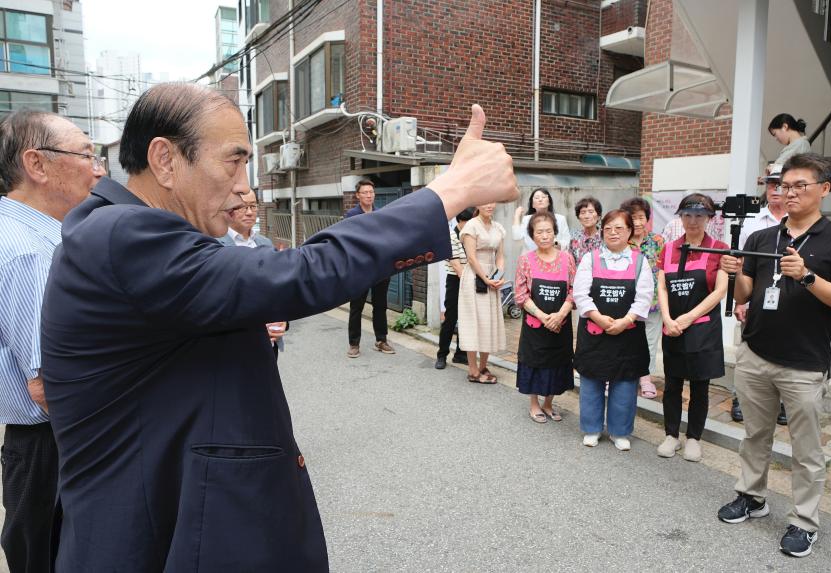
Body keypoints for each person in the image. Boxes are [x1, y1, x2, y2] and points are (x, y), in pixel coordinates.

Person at [39, 84, 518, 572]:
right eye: (233, 161)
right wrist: (450, 191)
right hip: (154, 544)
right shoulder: (120, 233)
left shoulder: (129, 233)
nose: (245, 185)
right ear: (165, 159)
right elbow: (297, 274)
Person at [717, 153, 831, 558]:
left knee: (806, 448)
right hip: (757, 353)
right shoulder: (762, 237)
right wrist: (734, 272)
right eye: (784, 185)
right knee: (755, 435)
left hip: (804, 362)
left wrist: (808, 276)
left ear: (824, 190)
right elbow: (745, 293)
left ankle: (804, 521)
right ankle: (751, 497)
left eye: (801, 185)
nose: (789, 193)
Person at [0, 110, 103, 573]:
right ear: (37, 166)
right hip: (52, 444)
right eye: (86, 154)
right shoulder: (29, 250)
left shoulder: (36, 238)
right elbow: (48, 385)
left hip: (45, 443)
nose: (98, 168)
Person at [655, 193, 728, 462]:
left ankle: (694, 438)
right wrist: (667, 318)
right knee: (672, 383)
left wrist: (688, 318)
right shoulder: (669, 248)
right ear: (680, 217)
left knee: (700, 386)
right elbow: (662, 286)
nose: (693, 221)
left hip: (702, 328)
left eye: (699, 215)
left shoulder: (719, 247)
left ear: (709, 218)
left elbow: (719, 291)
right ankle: (671, 434)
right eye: (687, 215)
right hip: (672, 325)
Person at [573, 209, 653, 451]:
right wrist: (599, 318)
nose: (613, 233)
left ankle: (620, 432)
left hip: (628, 333)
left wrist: (624, 321)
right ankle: (592, 428)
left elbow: (644, 298)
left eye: (619, 228)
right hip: (595, 331)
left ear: (630, 231)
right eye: (608, 228)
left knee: (625, 382)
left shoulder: (640, 262)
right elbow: (580, 294)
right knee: (591, 380)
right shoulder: (591, 259)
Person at [732, 164, 788, 424]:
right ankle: (741, 398)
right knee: (748, 349)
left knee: (787, 349)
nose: (775, 189)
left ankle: (784, 402)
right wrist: (741, 300)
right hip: (756, 294)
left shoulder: (798, 222)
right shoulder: (752, 220)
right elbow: (742, 264)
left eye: (780, 184)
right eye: (770, 184)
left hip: (791, 296)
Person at [514, 213, 576, 422]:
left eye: (548, 231)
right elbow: (521, 294)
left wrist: (559, 315)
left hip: (561, 323)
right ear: (532, 235)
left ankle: (548, 403)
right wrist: (543, 316)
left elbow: (574, 290)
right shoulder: (525, 260)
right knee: (535, 361)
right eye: (539, 232)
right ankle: (534, 404)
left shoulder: (567, 258)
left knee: (557, 362)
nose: (544, 236)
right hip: (534, 324)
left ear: (555, 232)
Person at [218, 189, 287, 358]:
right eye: (243, 207)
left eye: (253, 206)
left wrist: (283, 319)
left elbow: (275, 288)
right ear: (229, 209)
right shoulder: (214, 244)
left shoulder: (265, 242)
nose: (249, 212)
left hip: (270, 342)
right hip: (234, 345)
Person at [620, 197, 665, 399]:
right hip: (626, 302)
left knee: (650, 341)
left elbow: (665, 271)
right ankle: (623, 374)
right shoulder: (621, 243)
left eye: (641, 217)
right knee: (625, 339)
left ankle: (645, 377)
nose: (637, 222)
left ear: (647, 218)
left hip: (653, 302)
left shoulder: (658, 241)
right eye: (632, 217)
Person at [458, 203, 507, 384]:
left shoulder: (498, 227)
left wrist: (498, 275)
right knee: (473, 321)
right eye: (485, 201)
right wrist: (485, 279)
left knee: (488, 321)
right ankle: (473, 370)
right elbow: (471, 257)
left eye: (492, 201)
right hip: (473, 277)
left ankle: (483, 365)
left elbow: (500, 256)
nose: (490, 205)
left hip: (492, 276)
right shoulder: (471, 225)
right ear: (478, 203)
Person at [346, 179, 395, 357]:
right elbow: (348, 241)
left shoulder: (381, 214)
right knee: (356, 306)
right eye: (365, 192)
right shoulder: (352, 215)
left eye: (371, 192)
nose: (369, 195)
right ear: (358, 195)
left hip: (381, 266)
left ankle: (381, 340)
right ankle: (354, 343)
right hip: (360, 267)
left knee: (380, 305)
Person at [435, 207, 474, 369]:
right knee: (450, 318)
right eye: (468, 223)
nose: (471, 226)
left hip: (471, 279)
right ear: (460, 221)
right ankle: (442, 355)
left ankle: (460, 354)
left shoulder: (471, 234)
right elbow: (456, 266)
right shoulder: (450, 235)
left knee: (466, 319)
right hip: (456, 280)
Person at [512, 187, 570, 251]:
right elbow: (517, 237)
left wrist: (554, 242)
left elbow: (566, 242)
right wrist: (517, 216)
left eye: (543, 197)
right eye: (536, 198)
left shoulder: (560, 219)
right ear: (532, 205)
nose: (540, 199)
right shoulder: (527, 220)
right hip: (532, 258)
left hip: (555, 257)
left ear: (549, 202)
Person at [568, 196, 603, 267]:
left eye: (591, 212)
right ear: (578, 217)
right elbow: (570, 263)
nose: (586, 216)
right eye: (583, 212)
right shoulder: (573, 237)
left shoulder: (606, 236)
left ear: (598, 216)